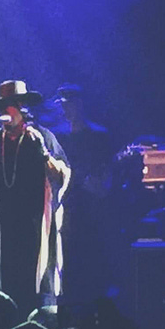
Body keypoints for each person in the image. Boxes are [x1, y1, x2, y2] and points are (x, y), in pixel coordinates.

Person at [0, 80, 71, 321]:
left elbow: (61, 176)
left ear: (22, 108)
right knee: (3, 289)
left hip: (34, 228)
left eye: (10, 106)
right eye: (2, 107)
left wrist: (43, 153)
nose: (5, 113)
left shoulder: (42, 137)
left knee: (35, 289)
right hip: (3, 231)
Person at [48, 84, 116, 303]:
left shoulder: (98, 136)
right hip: (61, 209)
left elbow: (105, 179)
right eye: (62, 105)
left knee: (90, 268)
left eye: (70, 105)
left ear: (80, 105)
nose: (66, 110)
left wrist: (91, 184)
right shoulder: (56, 136)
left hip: (90, 214)